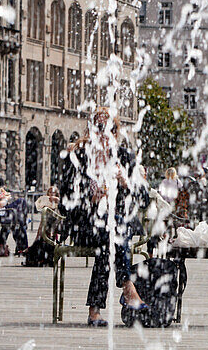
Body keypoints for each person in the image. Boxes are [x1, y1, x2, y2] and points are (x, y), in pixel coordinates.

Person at [60, 109, 148, 327]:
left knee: (110, 238)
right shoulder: (79, 157)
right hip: (87, 226)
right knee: (111, 234)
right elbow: (64, 201)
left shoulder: (125, 157)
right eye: (99, 128)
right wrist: (89, 198)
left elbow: (144, 198)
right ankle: (128, 288)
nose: (103, 133)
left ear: (115, 132)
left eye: (109, 128)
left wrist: (126, 182)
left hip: (116, 227)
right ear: (91, 130)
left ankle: (95, 312)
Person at [0, 166, 29, 256]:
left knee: (19, 210)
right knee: (20, 208)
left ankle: (24, 223)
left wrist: (0, 195)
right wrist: (6, 199)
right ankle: (23, 246)